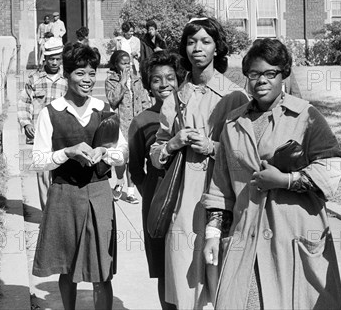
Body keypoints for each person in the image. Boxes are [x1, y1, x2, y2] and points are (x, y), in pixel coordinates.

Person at [201, 38, 341, 309]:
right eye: (254, 74)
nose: (261, 81)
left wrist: (286, 181)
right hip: (246, 237)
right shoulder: (232, 124)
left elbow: (332, 167)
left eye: (270, 73)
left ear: (283, 75)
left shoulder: (306, 116)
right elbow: (220, 187)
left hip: (293, 237)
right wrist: (212, 234)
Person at [149, 17, 249, 309]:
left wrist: (213, 147)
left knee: (220, 279)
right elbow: (155, 155)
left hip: (222, 197)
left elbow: (248, 155)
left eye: (206, 41)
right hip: (183, 199)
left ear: (217, 48)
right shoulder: (176, 97)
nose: (197, 48)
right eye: (191, 42)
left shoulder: (234, 96)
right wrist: (172, 143)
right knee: (183, 279)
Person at [31, 43, 128, 310]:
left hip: (98, 193)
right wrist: (68, 152)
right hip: (64, 194)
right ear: (67, 74)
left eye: (91, 73)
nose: (87, 80)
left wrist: (104, 153)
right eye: (80, 73)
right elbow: (38, 160)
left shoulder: (104, 110)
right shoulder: (50, 113)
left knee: (102, 268)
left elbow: (122, 153)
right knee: (68, 264)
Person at [128, 50, 185, 310]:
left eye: (170, 78)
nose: (164, 85)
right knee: (164, 268)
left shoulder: (191, 114)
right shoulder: (141, 121)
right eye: (156, 79)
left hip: (190, 198)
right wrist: (154, 193)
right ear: (148, 84)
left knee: (190, 264)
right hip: (158, 201)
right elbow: (136, 170)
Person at [17, 37, 67, 210]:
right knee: (43, 175)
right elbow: (24, 102)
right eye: (51, 59)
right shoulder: (34, 79)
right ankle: (46, 214)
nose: (54, 62)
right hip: (40, 135)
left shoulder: (67, 80)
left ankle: (60, 213)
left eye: (57, 58)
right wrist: (25, 123)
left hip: (62, 134)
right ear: (44, 59)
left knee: (62, 174)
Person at [106, 50, 152, 204]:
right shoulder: (111, 80)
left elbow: (144, 100)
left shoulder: (137, 80)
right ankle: (119, 182)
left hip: (136, 124)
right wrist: (122, 82)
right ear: (116, 64)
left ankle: (131, 192)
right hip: (121, 124)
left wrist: (147, 119)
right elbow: (112, 100)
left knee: (134, 159)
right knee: (121, 158)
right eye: (123, 63)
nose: (127, 66)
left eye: (128, 63)